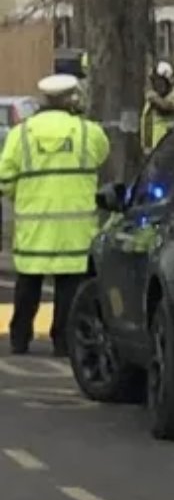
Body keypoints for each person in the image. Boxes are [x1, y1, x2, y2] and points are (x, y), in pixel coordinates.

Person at [0, 75, 109, 355]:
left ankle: (19, 338)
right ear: (73, 99)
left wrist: (25, 196)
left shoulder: (20, 135)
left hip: (33, 228)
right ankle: (62, 341)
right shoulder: (89, 132)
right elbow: (101, 156)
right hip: (74, 230)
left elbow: (4, 178)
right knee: (69, 289)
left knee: (28, 284)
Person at [141, 61, 174, 153]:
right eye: (154, 82)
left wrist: (155, 99)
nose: (157, 85)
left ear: (168, 81)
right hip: (155, 152)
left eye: (160, 82)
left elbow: (168, 108)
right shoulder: (153, 98)